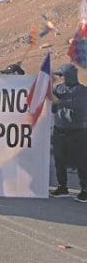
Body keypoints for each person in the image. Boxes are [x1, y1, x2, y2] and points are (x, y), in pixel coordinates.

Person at [49, 64, 87, 202]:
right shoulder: (59, 88)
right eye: (59, 75)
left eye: (62, 75)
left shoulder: (82, 91)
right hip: (59, 131)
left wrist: (56, 100)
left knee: (81, 162)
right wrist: (48, 83)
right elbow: (49, 96)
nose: (60, 77)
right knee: (59, 161)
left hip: (78, 133)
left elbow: (72, 105)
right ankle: (62, 187)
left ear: (69, 75)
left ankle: (84, 189)